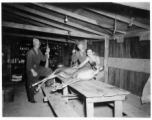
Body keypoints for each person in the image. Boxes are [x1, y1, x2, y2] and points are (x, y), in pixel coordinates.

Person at [26, 38, 53, 103]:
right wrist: (33, 71)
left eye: (38, 44)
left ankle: (48, 86)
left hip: (37, 68)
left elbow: (43, 59)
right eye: (36, 44)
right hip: (30, 70)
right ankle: (31, 99)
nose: (37, 45)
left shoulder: (39, 51)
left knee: (49, 70)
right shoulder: (30, 53)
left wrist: (47, 52)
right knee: (31, 85)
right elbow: (28, 65)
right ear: (33, 44)